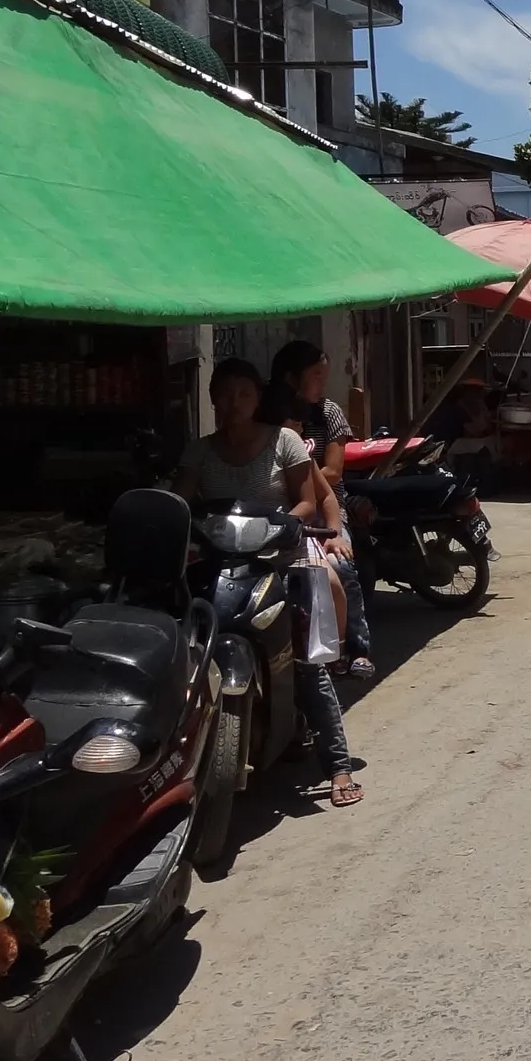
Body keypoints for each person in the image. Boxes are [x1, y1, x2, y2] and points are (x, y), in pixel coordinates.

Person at [177, 358, 364, 807]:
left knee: (302, 661)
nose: (232, 402)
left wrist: (277, 529)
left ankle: (337, 765)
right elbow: (181, 501)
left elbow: (307, 502)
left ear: (256, 398)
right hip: (221, 564)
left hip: (281, 558)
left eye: (243, 393)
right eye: (223, 393)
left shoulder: (285, 441)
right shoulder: (198, 452)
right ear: (211, 399)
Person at [268, 339, 375, 680]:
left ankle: (357, 648)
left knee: (341, 564)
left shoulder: (327, 413)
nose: (322, 383)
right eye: (316, 375)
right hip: (282, 505)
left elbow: (332, 473)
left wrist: (296, 474)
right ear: (291, 377)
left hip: (326, 502)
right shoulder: (272, 412)